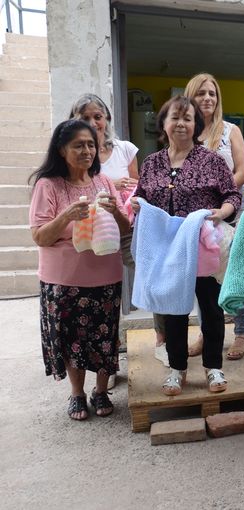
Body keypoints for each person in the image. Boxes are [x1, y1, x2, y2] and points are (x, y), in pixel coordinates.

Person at [131, 96, 241, 396]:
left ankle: (213, 366)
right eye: (175, 117)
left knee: (211, 308)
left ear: (197, 125)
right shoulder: (152, 163)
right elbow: (140, 197)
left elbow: (233, 195)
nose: (181, 123)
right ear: (163, 123)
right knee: (173, 310)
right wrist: (137, 206)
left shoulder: (212, 161)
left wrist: (222, 212)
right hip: (168, 250)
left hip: (203, 247)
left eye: (188, 118)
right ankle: (177, 369)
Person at [29, 119, 130, 420]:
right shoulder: (48, 186)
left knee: (104, 337)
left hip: (105, 276)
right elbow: (39, 235)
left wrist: (116, 212)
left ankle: (101, 391)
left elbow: (125, 228)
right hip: (63, 280)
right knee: (72, 339)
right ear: (62, 150)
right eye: (78, 145)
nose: (87, 151)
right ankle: (77, 394)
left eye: (90, 145)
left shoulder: (104, 182)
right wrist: (66, 216)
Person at [69, 93, 142, 382]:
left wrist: (122, 190)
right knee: (100, 298)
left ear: (107, 119)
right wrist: (112, 183)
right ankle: (105, 362)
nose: (92, 122)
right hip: (91, 230)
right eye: (84, 117)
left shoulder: (124, 149)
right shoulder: (76, 150)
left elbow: (137, 186)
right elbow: (78, 183)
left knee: (144, 279)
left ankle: (160, 342)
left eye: (97, 116)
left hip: (124, 224)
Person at [183, 73, 244, 361]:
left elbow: (243, 172)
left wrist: (221, 199)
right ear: (191, 97)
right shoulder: (186, 132)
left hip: (233, 211)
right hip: (203, 217)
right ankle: (207, 332)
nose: (208, 98)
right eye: (201, 93)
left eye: (212, 93)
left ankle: (240, 332)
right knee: (206, 274)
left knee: (235, 272)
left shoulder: (229, 130)